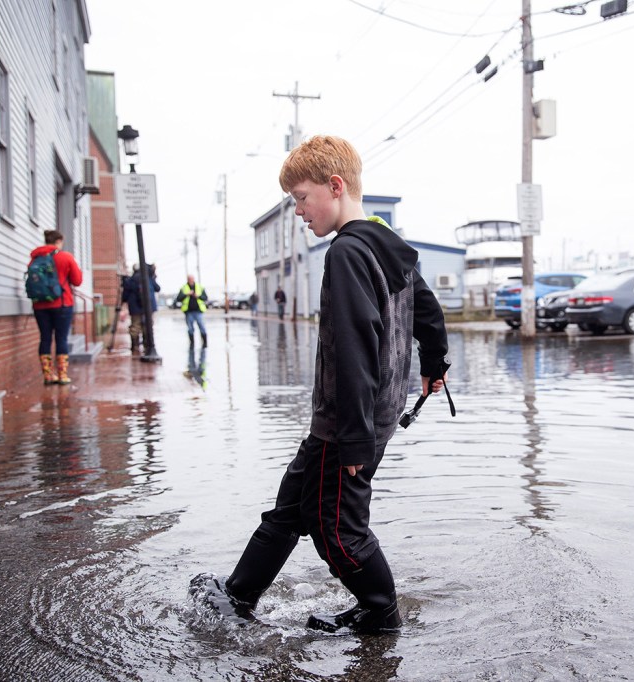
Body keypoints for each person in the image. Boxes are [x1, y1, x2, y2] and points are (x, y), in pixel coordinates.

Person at [191, 135, 452, 634]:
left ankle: (381, 613)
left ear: (335, 186)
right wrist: (435, 362)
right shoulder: (384, 242)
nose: (298, 211)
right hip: (364, 413)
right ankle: (239, 594)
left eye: (301, 198)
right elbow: (427, 307)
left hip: (348, 420)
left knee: (338, 530)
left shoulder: (348, 252)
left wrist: (353, 436)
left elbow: (353, 346)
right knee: (292, 505)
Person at [29, 230, 83, 385]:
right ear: (59, 241)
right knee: (61, 338)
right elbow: (77, 280)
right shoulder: (65, 257)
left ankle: (48, 375)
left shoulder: (35, 258)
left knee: (45, 338)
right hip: (62, 303)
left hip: (39, 305)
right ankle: (62, 375)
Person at [120, 263, 160, 354]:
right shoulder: (148, 278)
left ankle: (135, 347)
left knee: (135, 327)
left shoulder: (130, 280)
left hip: (135, 308)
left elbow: (125, 296)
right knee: (148, 326)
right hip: (148, 307)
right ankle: (148, 346)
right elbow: (157, 288)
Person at [174, 275, 208, 347]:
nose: (190, 280)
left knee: (202, 326)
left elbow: (205, 297)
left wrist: (198, 296)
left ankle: (205, 343)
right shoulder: (184, 288)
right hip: (189, 312)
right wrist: (187, 294)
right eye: (189, 279)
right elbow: (178, 298)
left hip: (198, 311)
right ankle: (192, 344)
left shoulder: (199, 287)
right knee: (190, 328)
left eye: (191, 279)